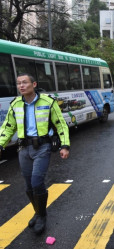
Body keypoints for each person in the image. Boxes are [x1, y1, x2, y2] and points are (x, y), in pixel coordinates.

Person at [0, 73, 70, 235]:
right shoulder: (15, 104)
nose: (21, 86)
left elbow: (61, 125)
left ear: (34, 84)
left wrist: (65, 145)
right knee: (29, 186)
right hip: (23, 149)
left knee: (37, 182)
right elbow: (8, 127)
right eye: (18, 83)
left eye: (25, 82)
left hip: (42, 147)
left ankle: (42, 215)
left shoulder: (48, 102)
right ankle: (38, 212)